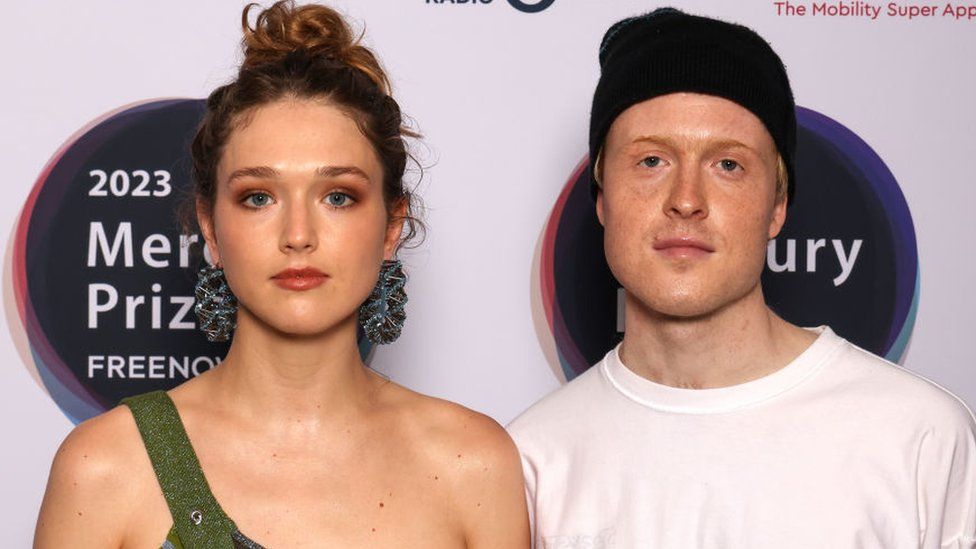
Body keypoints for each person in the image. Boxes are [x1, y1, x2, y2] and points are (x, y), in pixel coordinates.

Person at [34, 2, 529, 547]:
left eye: (338, 196)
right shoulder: (106, 467)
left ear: (391, 226)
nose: (298, 234)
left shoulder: (472, 466)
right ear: (211, 229)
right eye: (259, 197)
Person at [508, 7, 976, 548]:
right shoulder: (529, 461)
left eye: (727, 165)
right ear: (602, 201)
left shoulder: (922, 437)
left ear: (776, 206)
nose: (686, 200)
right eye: (652, 160)